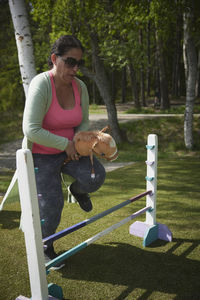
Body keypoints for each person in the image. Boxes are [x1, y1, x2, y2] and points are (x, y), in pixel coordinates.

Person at [22, 35, 106, 269]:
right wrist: (64, 144)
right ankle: (45, 247)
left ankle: (76, 190)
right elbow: (30, 129)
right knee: (52, 205)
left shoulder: (81, 87)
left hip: (71, 150)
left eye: (79, 63)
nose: (76, 68)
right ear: (54, 59)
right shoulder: (41, 84)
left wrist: (77, 142)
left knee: (95, 177)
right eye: (70, 62)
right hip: (40, 154)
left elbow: (83, 121)